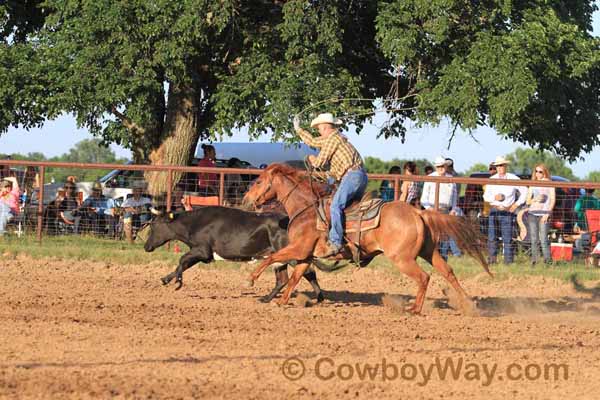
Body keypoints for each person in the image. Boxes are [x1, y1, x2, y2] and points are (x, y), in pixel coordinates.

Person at [294, 112, 367, 256]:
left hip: (352, 176)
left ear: (326, 128)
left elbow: (319, 162)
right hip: (358, 176)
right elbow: (314, 142)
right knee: (347, 208)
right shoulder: (336, 139)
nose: (319, 132)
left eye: (319, 129)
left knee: (335, 205)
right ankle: (351, 239)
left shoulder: (333, 140)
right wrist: (299, 130)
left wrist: (312, 158)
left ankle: (335, 242)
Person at [483, 156, 527, 264]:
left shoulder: (513, 178)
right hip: (494, 209)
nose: (499, 167)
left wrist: (516, 204)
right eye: (498, 166)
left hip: (507, 211)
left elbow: (525, 191)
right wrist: (494, 198)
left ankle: (508, 261)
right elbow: (485, 196)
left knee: (507, 238)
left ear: (505, 166)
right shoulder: (492, 180)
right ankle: (492, 260)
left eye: (501, 165)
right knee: (492, 237)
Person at [420, 156, 459, 260]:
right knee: (432, 236)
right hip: (432, 211)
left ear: (446, 166)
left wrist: (453, 209)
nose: (440, 168)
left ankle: (443, 258)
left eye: (442, 166)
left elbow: (455, 196)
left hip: (445, 210)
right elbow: (424, 198)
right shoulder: (429, 178)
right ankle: (432, 257)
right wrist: (429, 208)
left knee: (445, 236)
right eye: (438, 166)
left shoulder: (451, 179)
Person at [525, 164, 555, 266]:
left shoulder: (550, 183)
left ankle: (548, 261)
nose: (538, 173)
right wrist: (535, 199)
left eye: (540, 171)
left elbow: (552, 200)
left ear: (545, 172)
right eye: (536, 171)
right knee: (533, 238)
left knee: (543, 239)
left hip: (544, 214)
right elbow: (528, 201)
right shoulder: (533, 183)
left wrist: (547, 214)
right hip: (532, 213)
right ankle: (534, 261)